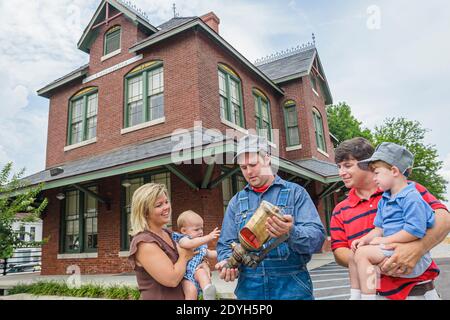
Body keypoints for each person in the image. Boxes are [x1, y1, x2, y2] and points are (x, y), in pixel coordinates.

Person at [330, 138, 450, 300]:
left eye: (348, 165)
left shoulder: (407, 190)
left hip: (418, 293)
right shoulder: (340, 210)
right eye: (339, 167)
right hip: (374, 293)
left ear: (368, 165)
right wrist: (372, 257)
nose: (341, 173)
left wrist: (417, 248)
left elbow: (444, 219)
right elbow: (339, 251)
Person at [216, 134, 326, 300]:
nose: (249, 171)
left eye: (253, 164)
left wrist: (291, 231)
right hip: (250, 290)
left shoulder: (296, 193)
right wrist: (227, 263)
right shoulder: (236, 202)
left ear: (267, 159)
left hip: (292, 288)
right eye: (243, 167)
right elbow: (225, 243)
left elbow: (317, 238)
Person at [128, 183, 197, 300]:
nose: (166, 207)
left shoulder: (168, 233)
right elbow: (172, 279)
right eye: (159, 205)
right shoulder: (144, 243)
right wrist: (185, 257)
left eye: (166, 202)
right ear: (145, 212)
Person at [172, 210, 220, 300]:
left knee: (201, 272)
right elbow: (190, 244)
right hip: (186, 276)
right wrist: (209, 237)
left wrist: (224, 252)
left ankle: (208, 291)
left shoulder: (201, 245)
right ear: (184, 231)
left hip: (197, 271)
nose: (201, 232)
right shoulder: (183, 239)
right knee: (191, 291)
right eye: (197, 229)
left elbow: (210, 253)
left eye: (202, 228)